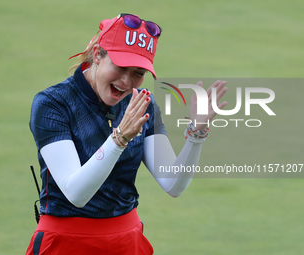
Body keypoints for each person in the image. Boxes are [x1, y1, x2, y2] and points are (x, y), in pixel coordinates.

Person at [25, 13, 228, 255]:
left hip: (126, 243)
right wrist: (119, 139)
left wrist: (197, 132)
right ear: (98, 54)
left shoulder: (144, 105)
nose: (126, 81)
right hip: (65, 243)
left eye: (138, 73)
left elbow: (172, 183)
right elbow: (76, 194)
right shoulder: (53, 103)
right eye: (121, 67)